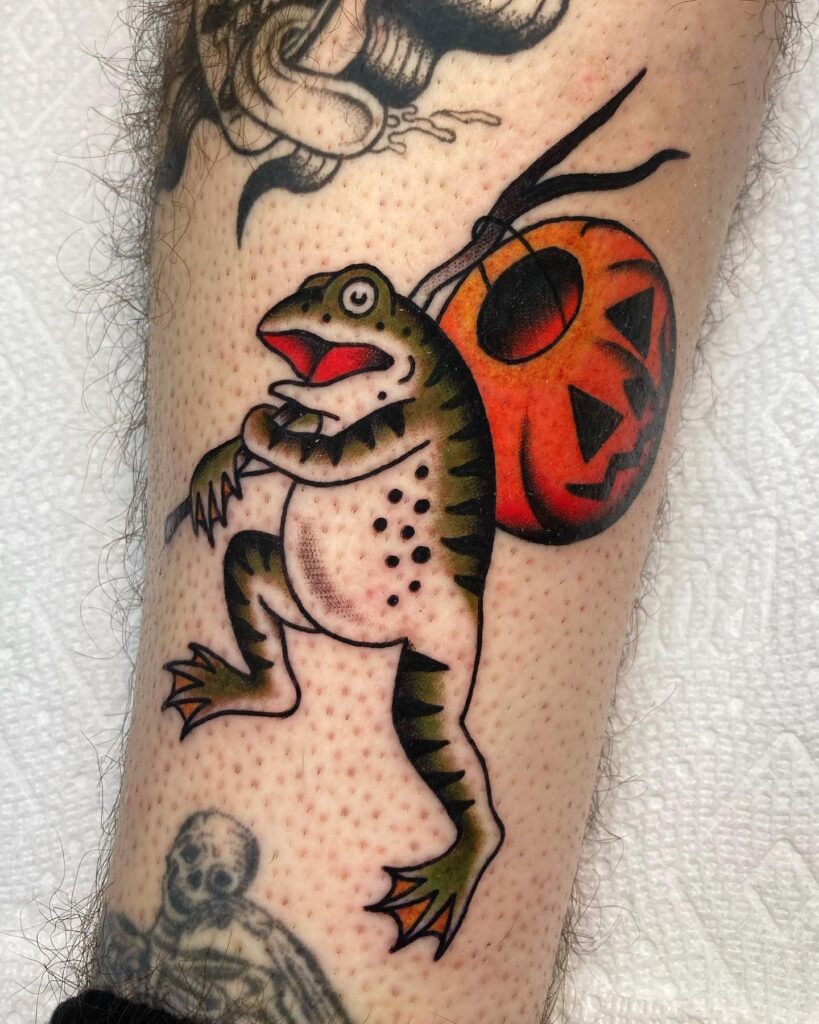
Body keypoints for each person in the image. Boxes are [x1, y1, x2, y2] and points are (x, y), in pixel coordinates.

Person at [51, 1, 790, 1021]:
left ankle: (467, 844)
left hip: (420, 607)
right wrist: (237, 450)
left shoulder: (418, 410)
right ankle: (264, 678)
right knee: (252, 567)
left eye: (359, 306)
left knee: (428, 732)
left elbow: (326, 454)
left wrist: (259, 437)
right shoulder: (360, 388)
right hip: (332, 586)